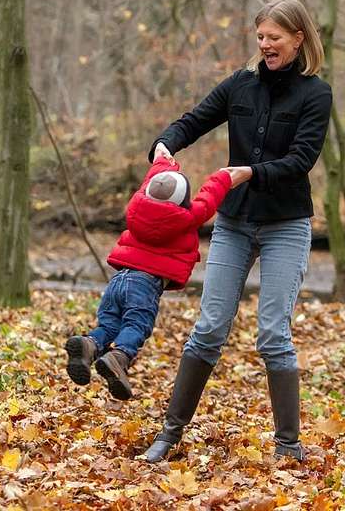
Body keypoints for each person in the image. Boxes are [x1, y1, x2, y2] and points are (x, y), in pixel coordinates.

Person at [141, 0, 332, 463]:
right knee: (208, 329)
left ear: (298, 39)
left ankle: (289, 446)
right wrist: (165, 143)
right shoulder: (240, 85)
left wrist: (248, 172)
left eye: (275, 38)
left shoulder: (315, 93)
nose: (266, 45)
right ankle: (168, 435)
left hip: (286, 224)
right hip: (234, 222)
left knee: (272, 334)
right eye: (261, 36)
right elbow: (195, 120)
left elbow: (301, 160)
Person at [65, 157, 232, 400]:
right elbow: (208, 200)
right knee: (136, 325)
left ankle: (89, 345)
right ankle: (119, 356)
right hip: (145, 284)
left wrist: (164, 161)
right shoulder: (185, 217)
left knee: (109, 325)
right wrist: (223, 177)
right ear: (183, 202)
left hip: (119, 278)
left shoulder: (138, 206)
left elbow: (148, 183)